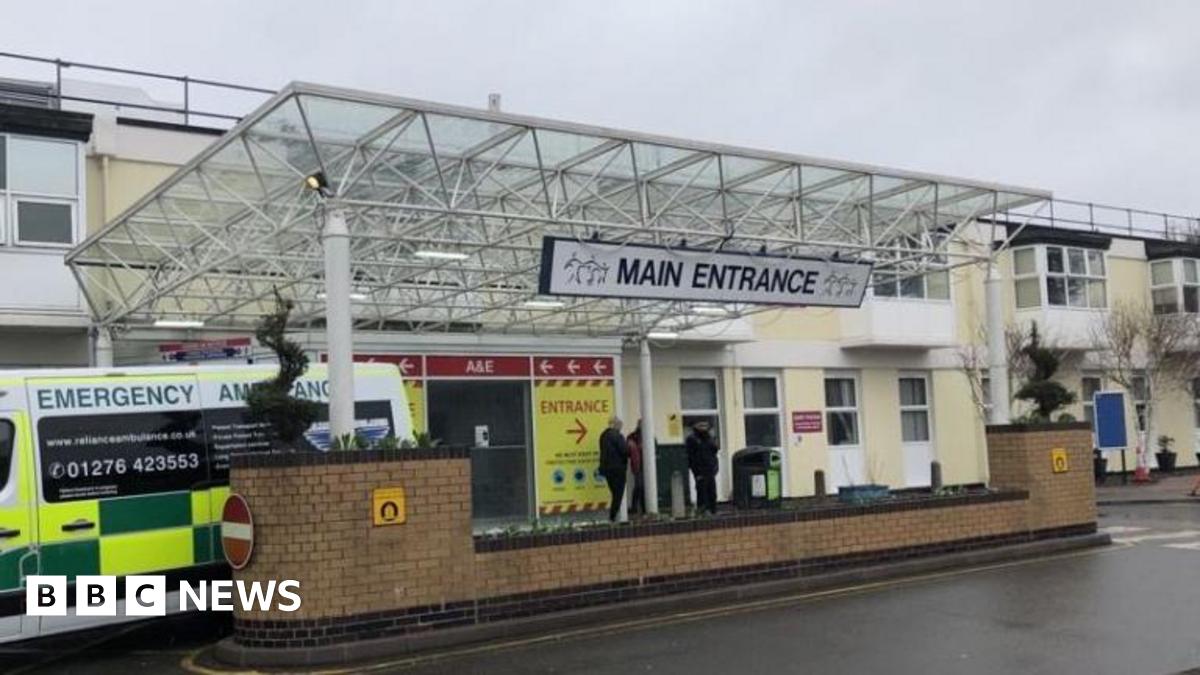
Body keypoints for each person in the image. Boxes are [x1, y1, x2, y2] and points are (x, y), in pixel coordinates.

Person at [598, 416, 628, 522]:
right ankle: (613, 516)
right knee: (618, 494)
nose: (621, 427)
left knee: (614, 492)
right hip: (618, 469)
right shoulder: (618, 436)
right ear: (616, 425)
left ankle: (614, 516)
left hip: (607, 469)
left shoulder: (603, 436)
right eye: (620, 425)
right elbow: (624, 451)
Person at [686, 420, 720, 515]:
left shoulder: (709, 438)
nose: (703, 427)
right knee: (702, 492)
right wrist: (696, 472)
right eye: (701, 425)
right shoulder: (692, 439)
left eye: (705, 425)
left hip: (710, 470)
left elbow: (714, 452)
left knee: (712, 493)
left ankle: (713, 511)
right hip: (700, 471)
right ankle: (703, 511)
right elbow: (691, 457)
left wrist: (715, 467)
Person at [626, 420, 646, 515]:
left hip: (647, 466)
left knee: (643, 487)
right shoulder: (633, 436)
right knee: (639, 486)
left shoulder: (649, 435)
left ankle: (643, 507)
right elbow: (628, 450)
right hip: (637, 465)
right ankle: (635, 507)